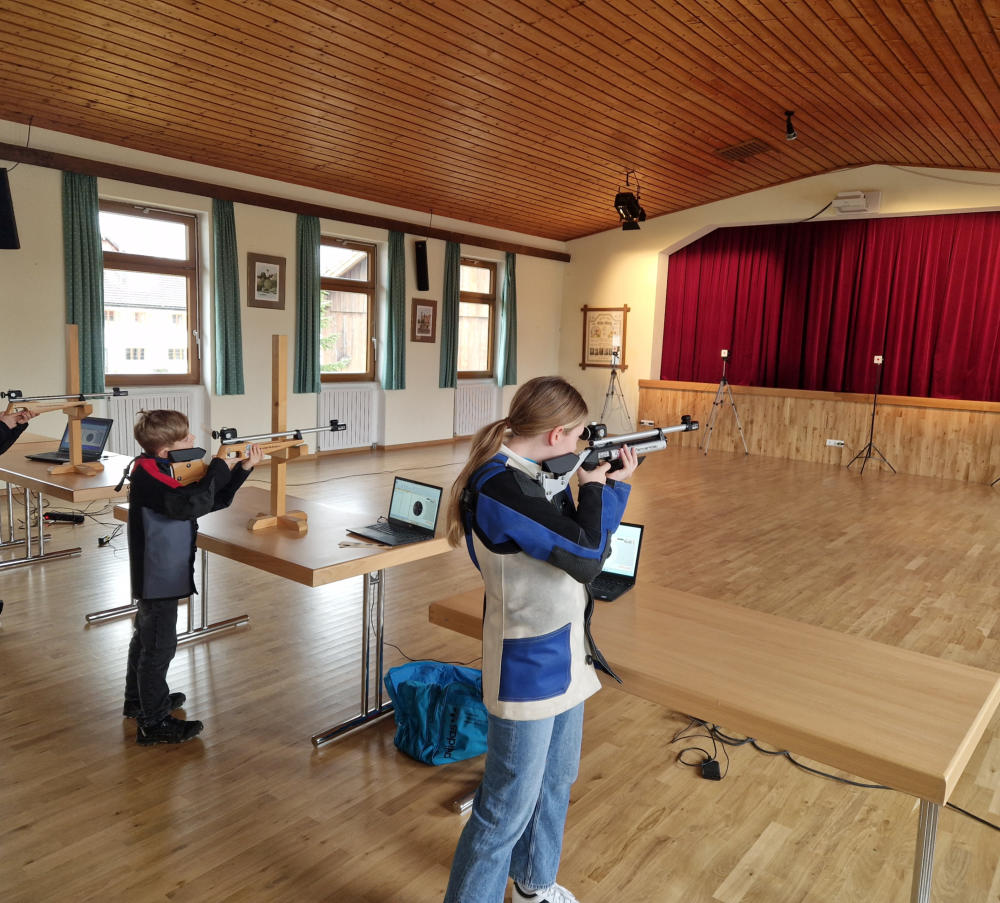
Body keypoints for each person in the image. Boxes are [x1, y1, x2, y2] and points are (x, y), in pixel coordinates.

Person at [442, 376, 639, 903]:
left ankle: (534, 884)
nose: (579, 446)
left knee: (556, 781)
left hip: (568, 649)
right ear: (555, 436)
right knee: (504, 807)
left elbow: (589, 546)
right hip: (526, 666)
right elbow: (587, 558)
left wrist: (609, 487)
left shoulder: (536, 476)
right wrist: (596, 487)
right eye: (576, 436)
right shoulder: (499, 488)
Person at [121, 409, 263, 745]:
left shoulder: (155, 466)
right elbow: (190, 503)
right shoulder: (150, 475)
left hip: (162, 567)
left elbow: (209, 500)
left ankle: (139, 701)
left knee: (147, 637)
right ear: (165, 450)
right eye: (186, 438)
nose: (193, 440)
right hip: (158, 571)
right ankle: (153, 722)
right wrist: (219, 465)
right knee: (159, 646)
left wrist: (242, 470)